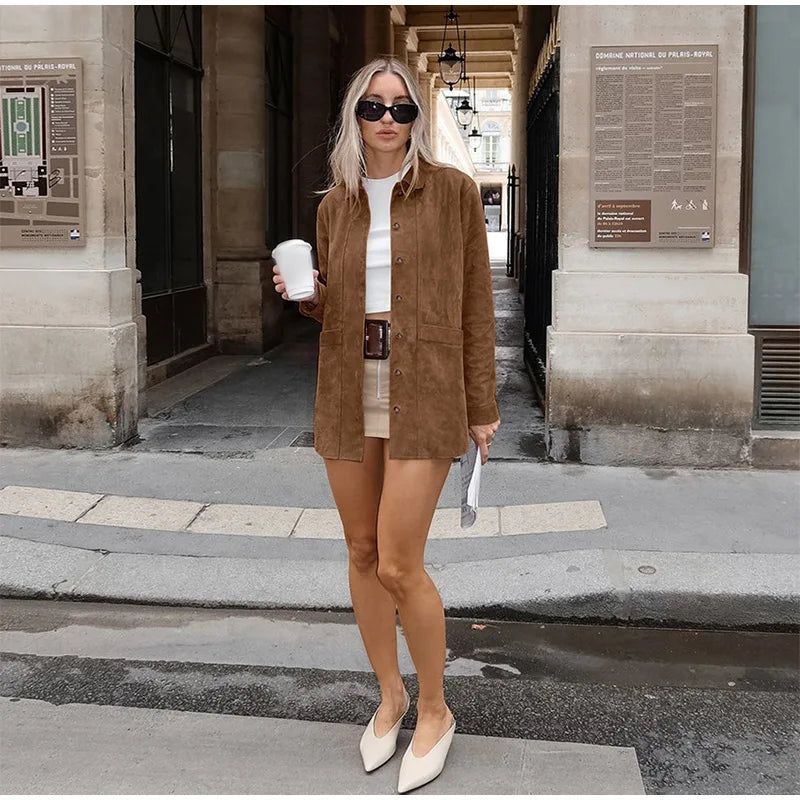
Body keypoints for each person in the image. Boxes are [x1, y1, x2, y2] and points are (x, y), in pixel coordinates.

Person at [272, 56, 500, 793]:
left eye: (402, 110)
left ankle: (435, 708)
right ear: (355, 115)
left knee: (402, 562)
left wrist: (483, 407)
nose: (387, 121)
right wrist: (304, 295)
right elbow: (336, 305)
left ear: (416, 120)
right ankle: (391, 694)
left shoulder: (453, 192)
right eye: (374, 107)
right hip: (347, 382)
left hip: (426, 385)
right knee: (362, 549)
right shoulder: (334, 204)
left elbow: (474, 306)